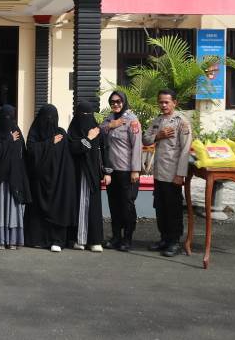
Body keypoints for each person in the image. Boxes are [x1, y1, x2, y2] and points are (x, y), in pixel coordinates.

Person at [142, 88, 192, 257]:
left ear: (174, 103)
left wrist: (180, 174)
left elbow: (185, 150)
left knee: (173, 209)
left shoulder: (181, 122)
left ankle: (174, 242)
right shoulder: (157, 120)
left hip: (173, 174)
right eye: (161, 102)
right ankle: (164, 239)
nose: (163, 105)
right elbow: (145, 139)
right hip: (159, 173)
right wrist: (158, 135)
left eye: (166, 102)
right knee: (160, 207)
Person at [24, 104, 78, 252]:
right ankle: (36, 239)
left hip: (57, 182)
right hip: (38, 182)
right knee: (37, 211)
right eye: (46, 117)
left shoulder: (61, 133)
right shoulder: (34, 133)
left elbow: (66, 160)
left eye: (52, 117)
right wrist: (49, 143)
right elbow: (31, 152)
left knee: (58, 209)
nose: (49, 120)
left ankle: (57, 240)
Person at [0, 104, 31, 250]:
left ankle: (13, 240)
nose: (7, 120)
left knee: (13, 210)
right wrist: (8, 140)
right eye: (5, 116)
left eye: (11, 116)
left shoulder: (17, 131)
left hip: (14, 179)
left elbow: (22, 155)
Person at [100, 90, 142, 251]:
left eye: (118, 101)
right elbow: (99, 131)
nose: (115, 104)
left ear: (124, 102)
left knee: (127, 205)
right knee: (114, 205)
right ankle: (116, 236)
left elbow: (137, 146)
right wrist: (111, 125)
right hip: (111, 170)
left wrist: (135, 170)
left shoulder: (132, 120)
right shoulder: (109, 118)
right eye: (112, 102)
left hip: (126, 170)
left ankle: (127, 238)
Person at [67, 101, 111, 253]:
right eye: (82, 114)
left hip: (93, 174)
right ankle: (77, 239)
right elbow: (73, 148)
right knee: (76, 206)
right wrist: (89, 138)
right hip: (76, 174)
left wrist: (107, 172)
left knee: (93, 207)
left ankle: (94, 240)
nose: (85, 117)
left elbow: (105, 151)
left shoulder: (99, 131)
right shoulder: (72, 131)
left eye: (88, 114)